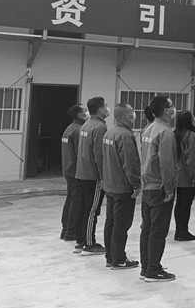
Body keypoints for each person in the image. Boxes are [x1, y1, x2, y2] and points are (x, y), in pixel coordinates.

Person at [139, 95, 178, 282]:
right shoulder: (166, 132)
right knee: (158, 230)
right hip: (159, 186)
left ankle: (146, 266)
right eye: (171, 106)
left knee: (147, 228)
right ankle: (153, 270)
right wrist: (169, 187)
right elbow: (167, 163)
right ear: (165, 110)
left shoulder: (148, 129)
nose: (174, 109)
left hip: (147, 184)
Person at [102, 103, 141, 270]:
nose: (134, 115)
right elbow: (130, 163)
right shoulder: (125, 135)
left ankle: (110, 256)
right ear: (125, 116)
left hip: (110, 184)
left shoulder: (109, 132)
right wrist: (135, 183)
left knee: (111, 222)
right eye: (132, 113)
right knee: (121, 224)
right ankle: (118, 259)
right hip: (122, 186)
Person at [74, 97, 110, 256]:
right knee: (92, 210)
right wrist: (103, 176)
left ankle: (80, 241)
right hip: (93, 175)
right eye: (106, 106)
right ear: (101, 109)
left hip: (82, 172)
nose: (107, 108)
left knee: (83, 208)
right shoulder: (100, 127)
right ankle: (89, 244)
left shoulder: (86, 125)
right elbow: (99, 154)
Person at [173, 110, 195, 241]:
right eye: (193, 117)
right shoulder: (191, 136)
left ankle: (178, 230)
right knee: (186, 204)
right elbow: (192, 158)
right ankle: (183, 231)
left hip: (178, 175)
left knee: (179, 203)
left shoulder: (175, 134)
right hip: (187, 176)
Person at [60, 103, 86, 243]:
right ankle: (71, 231)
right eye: (85, 111)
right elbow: (79, 153)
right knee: (76, 201)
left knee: (70, 199)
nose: (87, 113)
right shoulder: (78, 130)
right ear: (79, 115)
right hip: (75, 171)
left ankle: (65, 229)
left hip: (68, 169)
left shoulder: (69, 128)